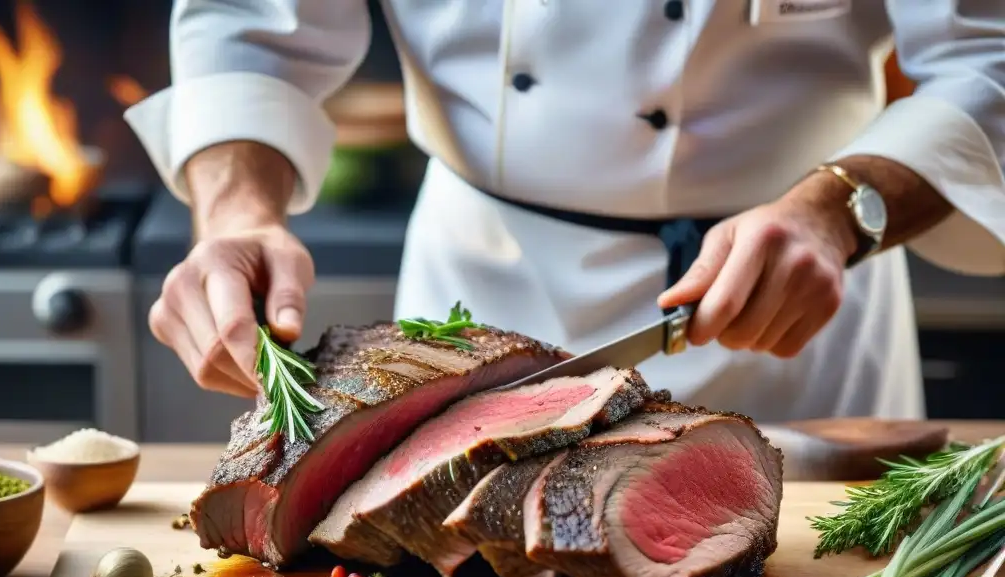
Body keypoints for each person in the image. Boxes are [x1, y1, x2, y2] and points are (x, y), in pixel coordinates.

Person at [125, 1, 1005, 423]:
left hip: (797, 307)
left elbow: (989, 53)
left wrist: (840, 209)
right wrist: (237, 214)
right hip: (476, 299)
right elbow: (254, 23)